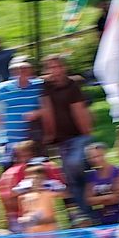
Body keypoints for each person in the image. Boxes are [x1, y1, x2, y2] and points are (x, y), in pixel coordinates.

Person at [40, 55, 94, 212]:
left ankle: (89, 204)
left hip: (77, 136)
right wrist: (49, 135)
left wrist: (87, 134)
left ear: (64, 68)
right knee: (71, 178)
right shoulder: (46, 86)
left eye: (58, 67)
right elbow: (47, 109)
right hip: (61, 140)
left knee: (75, 165)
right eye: (51, 67)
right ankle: (83, 213)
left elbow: (79, 111)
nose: (55, 71)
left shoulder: (72, 85)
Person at [0, 57, 44, 164]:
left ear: (30, 70)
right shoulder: (5, 87)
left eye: (24, 69)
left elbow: (50, 102)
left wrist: (38, 113)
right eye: (17, 70)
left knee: (35, 166)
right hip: (11, 140)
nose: (21, 72)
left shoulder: (39, 85)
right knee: (11, 167)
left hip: (32, 139)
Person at [84, 142, 119, 226]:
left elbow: (118, 197)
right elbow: (89, 200)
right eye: (93, 157)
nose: (96, 160)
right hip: (100, 220)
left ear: (105, 154)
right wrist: (109, 197)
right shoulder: (91, 175)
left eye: (99, 156)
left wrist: (98, 200)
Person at [17, 165, 61, 233]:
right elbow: (24, 217)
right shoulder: (23, 198)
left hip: (49, 235)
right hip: (32, 236)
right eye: (30, 178)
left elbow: (56, 218)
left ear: (43, 179)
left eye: (37, 178)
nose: (34, 180)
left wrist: (34, 220)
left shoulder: (50, 196)